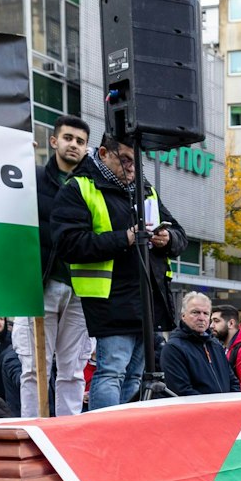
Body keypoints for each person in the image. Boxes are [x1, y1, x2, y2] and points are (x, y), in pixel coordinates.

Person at [51, 136, 188, 409]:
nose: (132, 169)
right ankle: (104, 435)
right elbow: (68, 243)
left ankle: (120, 432)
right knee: (111, 371)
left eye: (136, 162)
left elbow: (180, 234)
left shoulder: (145, 189)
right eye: (125, 160)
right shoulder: (79, 188)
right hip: (111, 298)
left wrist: (168, 239)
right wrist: (125, 238)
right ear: (103, 153)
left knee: (134, 376)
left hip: (147, 297)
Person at [16, 116, 95, 418]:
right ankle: (31, 431)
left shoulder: (92, 186)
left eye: (80, 141)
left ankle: (68, 434)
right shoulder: (31, 178)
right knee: (34, 368)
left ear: (86, 148)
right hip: (41, 284)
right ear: (54, 141)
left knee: (73, 370)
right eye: (68, 138)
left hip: (81, 287)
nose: (73, 145)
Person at [162, 292, 235, 397]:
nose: (201, 318)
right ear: (183, 316)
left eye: (205, 313)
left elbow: (232, 380)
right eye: (195, 312)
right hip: (198, 411)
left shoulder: (216, 345)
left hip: (225, 409)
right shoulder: (173, 348)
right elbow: (181, 390)